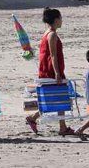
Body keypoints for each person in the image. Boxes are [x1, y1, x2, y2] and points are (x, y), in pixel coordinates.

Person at [25, 8, 75, 136]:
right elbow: (53, 55)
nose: (62, 21)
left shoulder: (46, 33)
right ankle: (61, 127)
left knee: (52, 97)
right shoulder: (52, 34)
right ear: (56, 19)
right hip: (51, 71)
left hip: (47, 70)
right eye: (61, 18)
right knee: (61, 96)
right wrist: (57, 73)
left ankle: (34, 118)